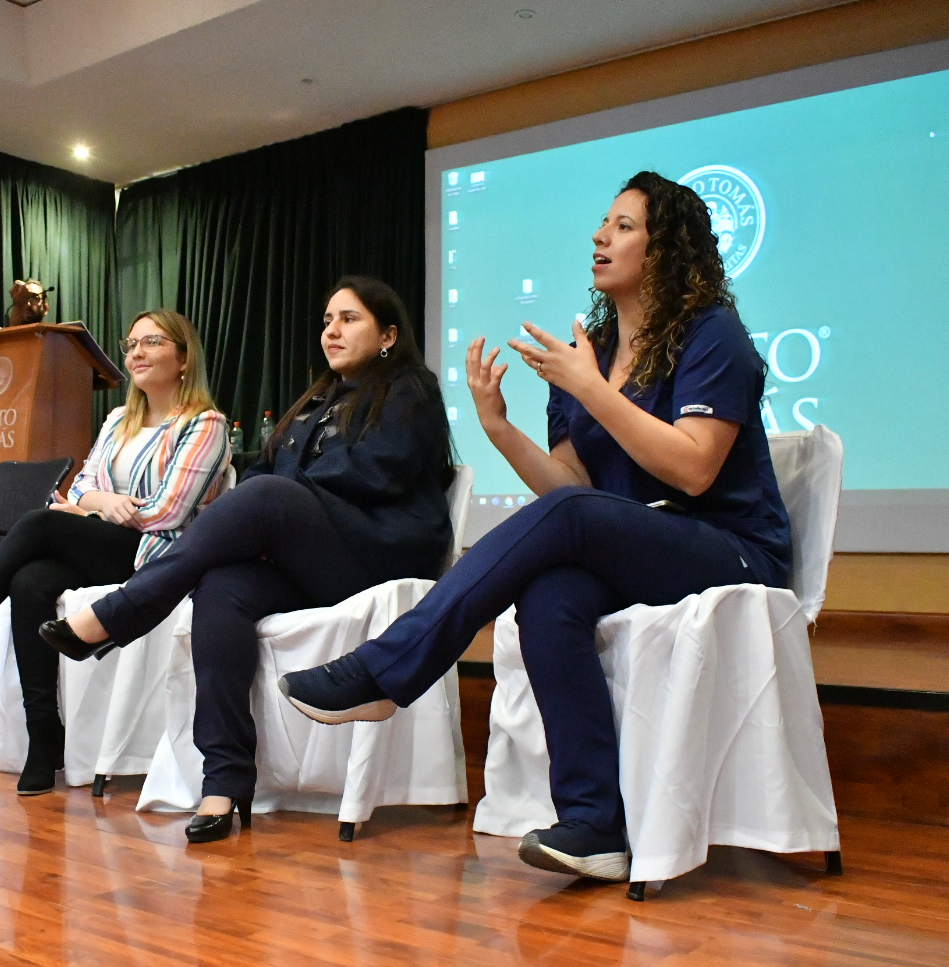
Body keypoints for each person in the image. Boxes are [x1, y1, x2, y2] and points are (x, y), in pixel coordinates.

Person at [278, 172, 792, 884]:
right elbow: (571, 492)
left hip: (731, 550)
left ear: (667, 247)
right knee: (550, 594)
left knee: (570, 534)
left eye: (623, 225)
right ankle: (594, 825)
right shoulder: (589, 350)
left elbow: (697, 469)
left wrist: (590, 390)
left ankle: (390, 668)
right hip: (635, 548)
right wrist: (498, 429)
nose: (599, 236)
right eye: (603, 223)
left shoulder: (710, 333)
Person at [41, 276, 454, 844]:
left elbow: (377, 472)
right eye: (327, 320)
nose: (331, 330)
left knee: (268, 497)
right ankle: (225, 780)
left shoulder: (411, 389)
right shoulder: (317, 400)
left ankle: (128, 609)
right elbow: (263, 470)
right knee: (222, 584)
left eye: (349, 319)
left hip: (379, 553)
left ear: (388, 334)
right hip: (315, 561)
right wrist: (266, 506)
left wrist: (280, 502)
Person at [0, 310, 229, 796]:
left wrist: (91, 508)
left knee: (39, 524)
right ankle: (43, 735)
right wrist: (102, 504)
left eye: (152, 343)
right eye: (131, 343)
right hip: (108, 543)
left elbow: (167, 513)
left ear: (183, 359)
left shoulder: (205, 425)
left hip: (158, 558)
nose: (136, 353)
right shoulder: (120, 419)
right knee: (28, 580)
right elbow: (79, 488)